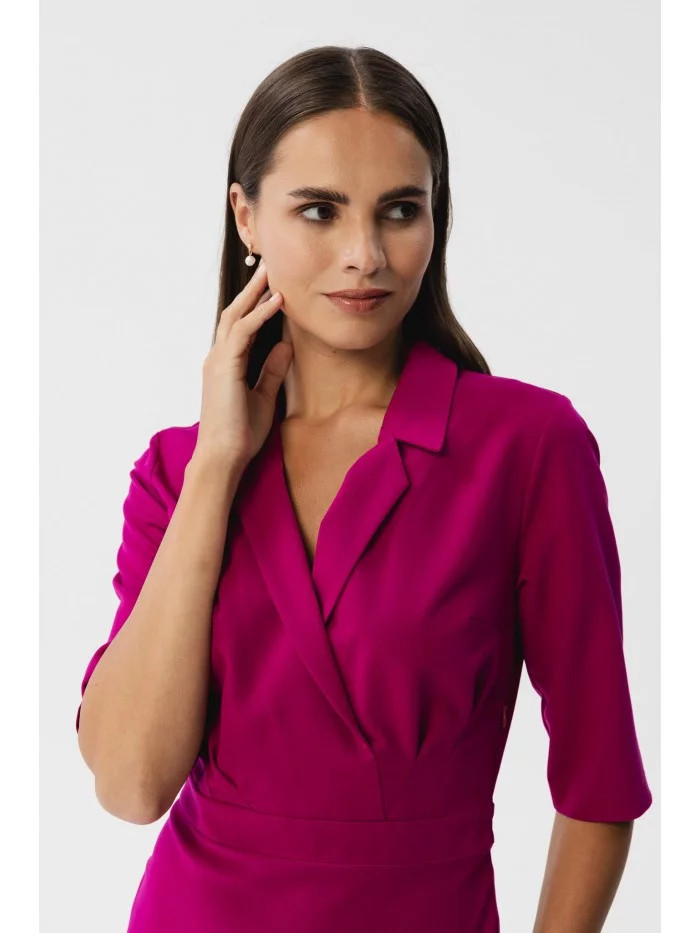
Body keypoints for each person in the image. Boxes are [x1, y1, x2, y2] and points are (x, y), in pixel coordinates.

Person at [75, 45, 653, 933]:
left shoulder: (528, 448)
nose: (365, 254)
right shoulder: (177, 471)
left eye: (401, 211)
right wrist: (218, 464)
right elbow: (130, 783)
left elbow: (599, 784)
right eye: (320, 210)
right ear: (246, 217)